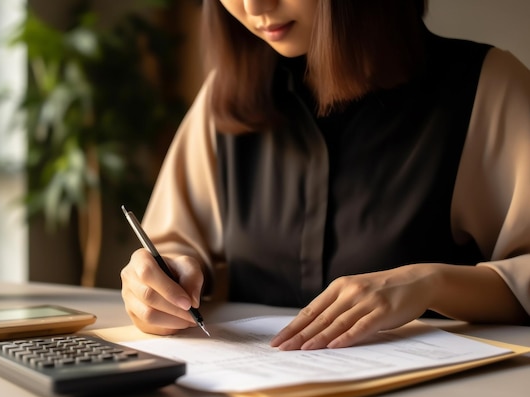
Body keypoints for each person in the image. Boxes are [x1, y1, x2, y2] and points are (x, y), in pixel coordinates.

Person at [120, 0, 530, 350]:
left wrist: (430, 282)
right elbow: (169, 247)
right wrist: (158, 283)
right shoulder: (228, 96)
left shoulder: (486, 86)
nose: (253, 8)